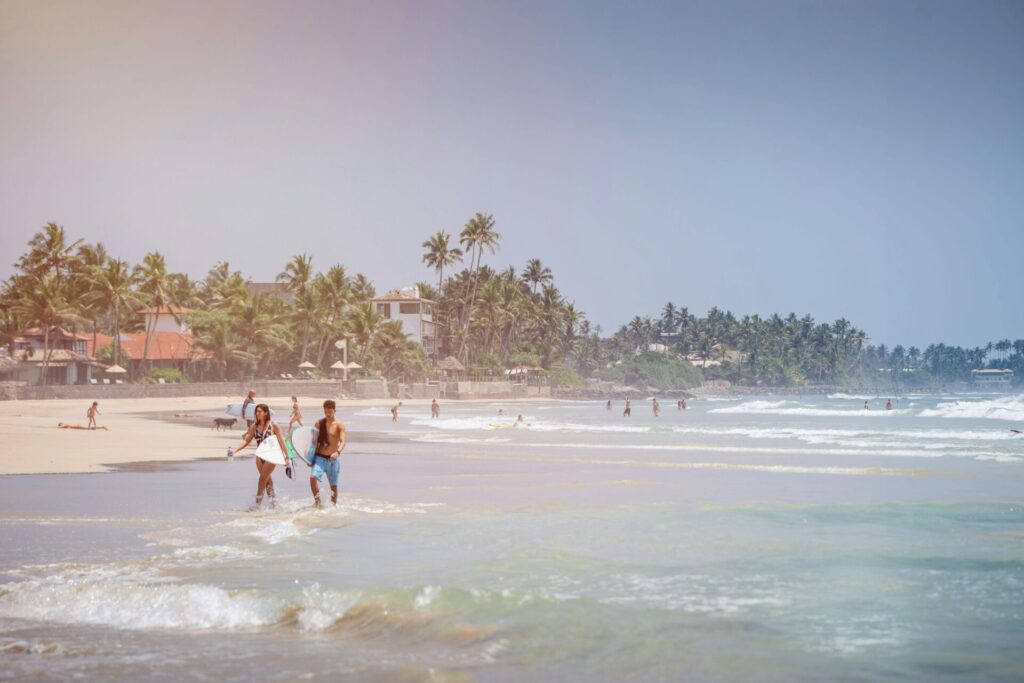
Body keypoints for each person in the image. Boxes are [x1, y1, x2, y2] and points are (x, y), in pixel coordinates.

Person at [232, 403, 288, 510]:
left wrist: (287, 457)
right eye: (256, 412)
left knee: (262, 479)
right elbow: (246, 440)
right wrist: (235, 450)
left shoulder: (274, 425)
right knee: (267, 481)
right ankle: (273, 504)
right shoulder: (254, 426)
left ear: (266, 413)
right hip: (259, 457)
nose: (257, 414)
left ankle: (257, 506)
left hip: (271, 456)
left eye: (259, 412)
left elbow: (282, 441)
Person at [310, 399, 346, 507]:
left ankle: (333, 507)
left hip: (332, 459)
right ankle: (318, 503)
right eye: (325, 412)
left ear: (334, 410)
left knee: (333, 486)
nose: (328, 414)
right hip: (320, 457)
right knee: (312, 478)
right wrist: (310, 458)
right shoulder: (319, 423)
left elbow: (343, 441)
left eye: (330, 412)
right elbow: (313, 442)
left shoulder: (339, 425)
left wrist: (338, 452)